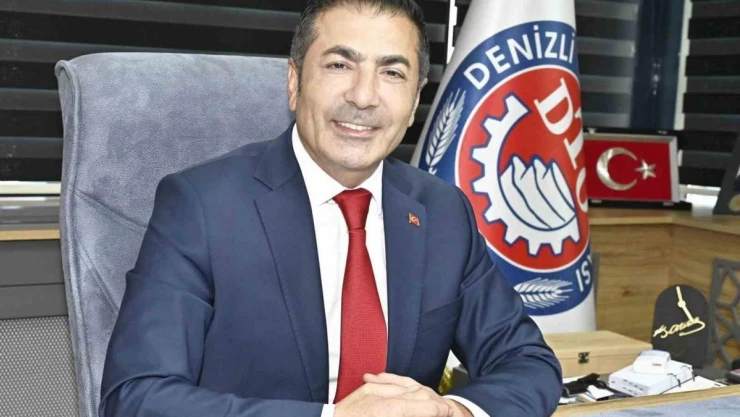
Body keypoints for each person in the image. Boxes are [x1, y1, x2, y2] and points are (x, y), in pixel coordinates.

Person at [98, 1, 562, 416]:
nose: (363, 96)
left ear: (415, 100)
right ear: (295, 81)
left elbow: (527, 362)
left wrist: (455, 413)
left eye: (392, 73)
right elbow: (137, 398)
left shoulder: (442, 212)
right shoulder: (202, 206)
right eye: (340, 65)